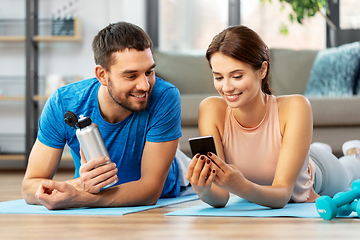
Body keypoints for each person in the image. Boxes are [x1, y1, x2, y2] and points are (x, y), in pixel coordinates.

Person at [186, 25, 360, 208]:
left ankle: (354, 155)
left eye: (237, 76)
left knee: (348, 171)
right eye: (219, 77)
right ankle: (314, 148)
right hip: (279, 171)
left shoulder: (295, 107)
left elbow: (282, 194)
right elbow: (220, 197)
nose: (227, 88)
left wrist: (241, 186)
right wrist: (203, 190)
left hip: (318, 173)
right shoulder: (210, 110)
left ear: (262, 70)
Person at [22, 21, 189, 210]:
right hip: (97, 192)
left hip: (173, 187)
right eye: (131, 76)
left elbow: (150, 191)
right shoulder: (63, 102)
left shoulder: (165, 95)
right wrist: (76, 186)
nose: (144, 85)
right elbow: (29, 186)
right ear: (102, 75)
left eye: (149, 72)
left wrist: (80, 198)